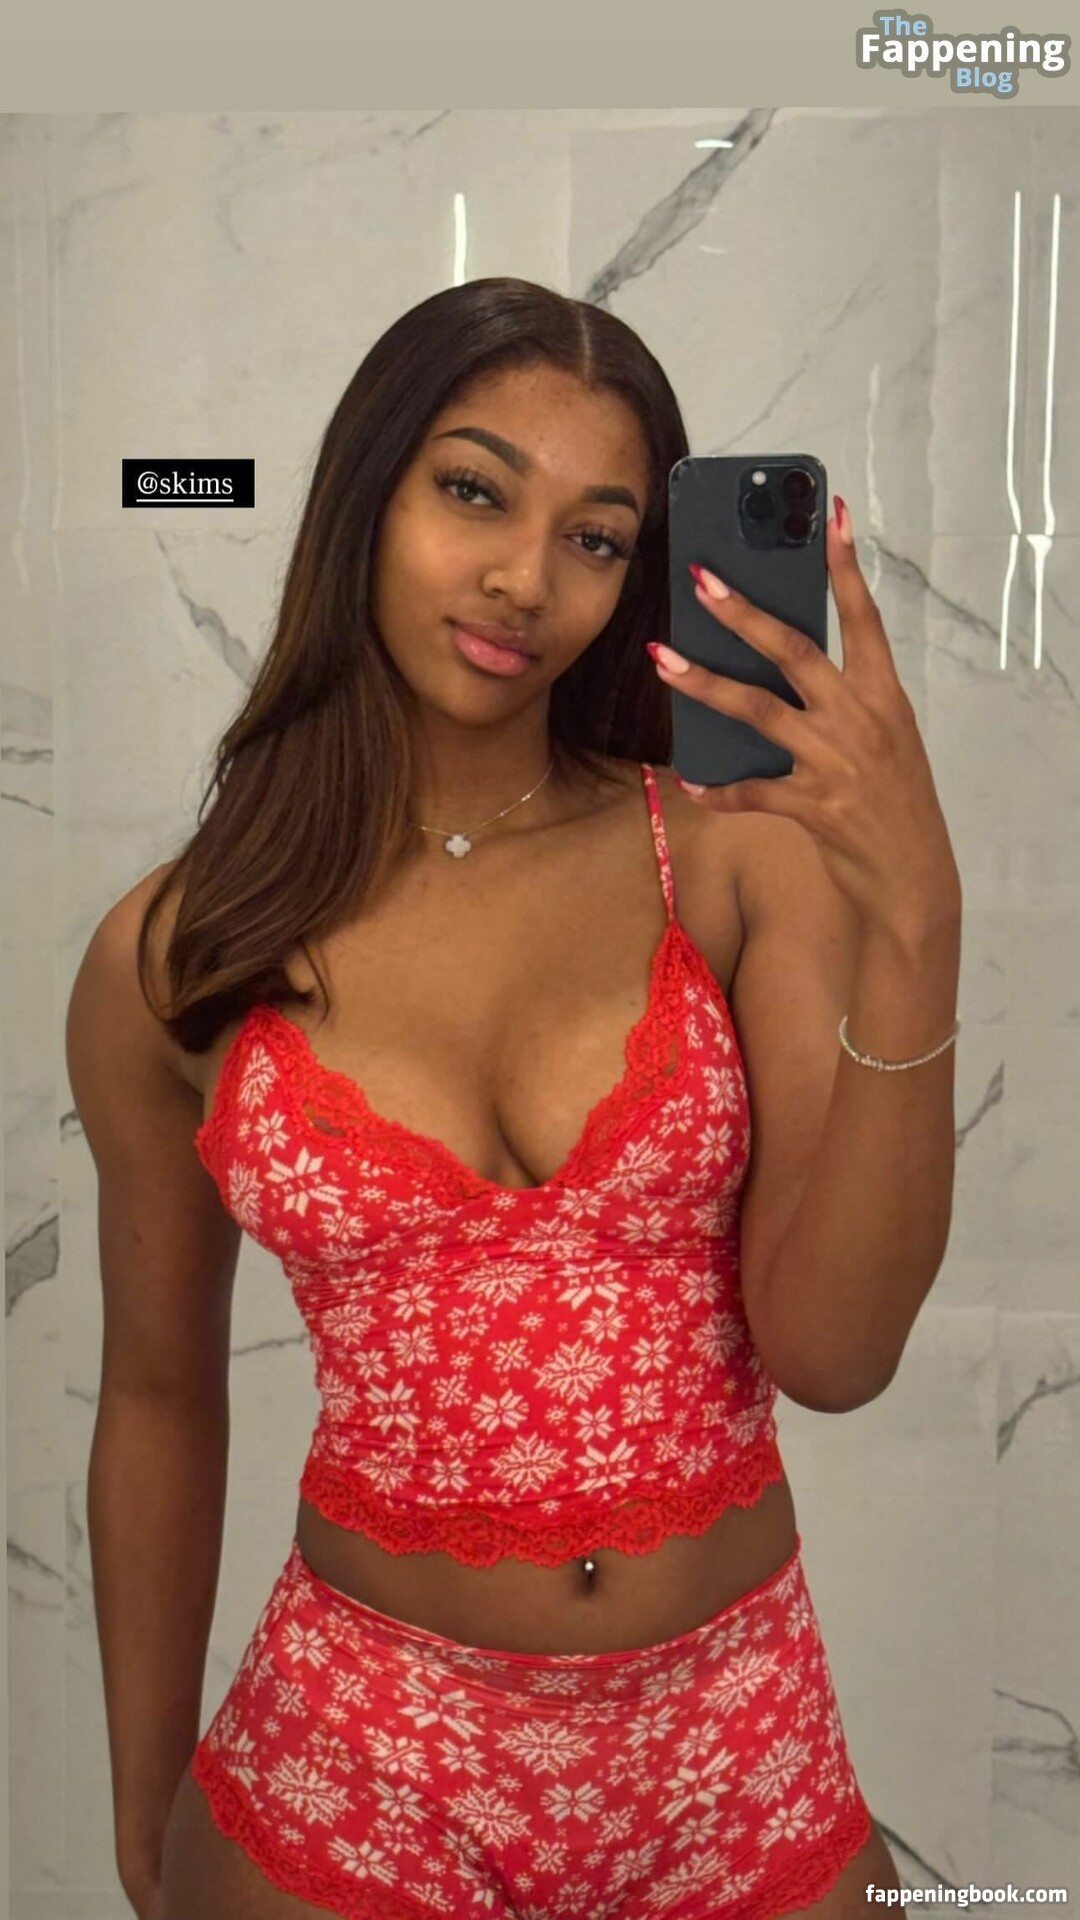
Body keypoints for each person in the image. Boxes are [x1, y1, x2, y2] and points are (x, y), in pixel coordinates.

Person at [67, 276, 958, 1919]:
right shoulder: (177, 954)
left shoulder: (727, 860)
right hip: (355, 1769)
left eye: (595, 536)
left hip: (732, 1753)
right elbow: (161, 1395)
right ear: (370, 493)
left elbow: (835, 1355)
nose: (524, 579)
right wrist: (141, 1802)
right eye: (475, 491)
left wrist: (916, 919)